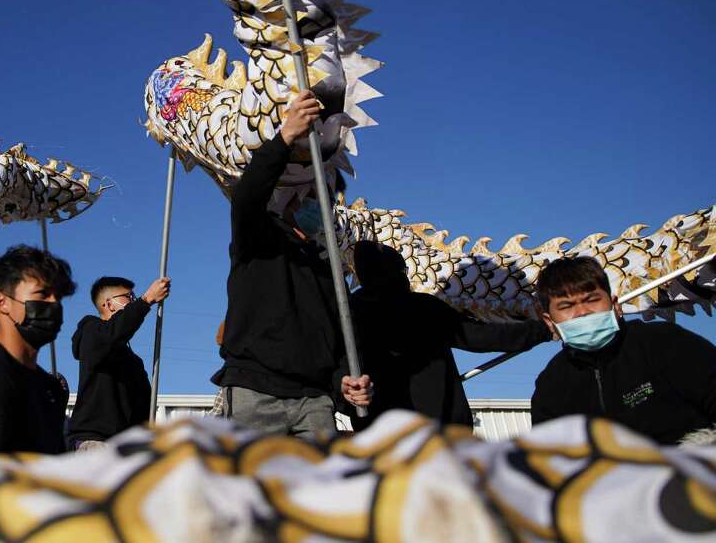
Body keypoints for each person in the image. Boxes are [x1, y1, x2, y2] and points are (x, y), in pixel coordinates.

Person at [213, 90, 372, 438]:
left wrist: (346, 382)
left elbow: (340, 339)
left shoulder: (329, 270)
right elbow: (246, 197)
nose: (318, 200)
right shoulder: (256, 237)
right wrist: (285, 137)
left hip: (315, 402)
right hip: (255, 395)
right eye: (311, 190)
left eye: (327, 194)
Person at [347, 240, 551, 428]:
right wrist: (542, 329)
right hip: (439, 428)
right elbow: (481, 336)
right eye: (403, 270)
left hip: (377, 433)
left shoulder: (348, 314)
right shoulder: (422, 308)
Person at [531, 256, 716, 444]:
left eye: (592, 300)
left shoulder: (666, 343)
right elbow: (550, 460)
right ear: (548, 320)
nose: (582, 312)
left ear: (615, 305)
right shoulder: (550, 386)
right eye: (566, 306)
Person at [0, 244, 75, 454]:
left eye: (59, 297)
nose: (55, 304)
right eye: (42, 294)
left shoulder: (49, 386)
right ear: (2, 302)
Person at [68, 275, 171, 449]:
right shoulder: (91, 331)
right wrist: (146, 300)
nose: (133, 301)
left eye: (134, 297)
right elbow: (113, 332)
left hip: (127, 446)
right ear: (108, 304)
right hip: (97, 441)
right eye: (128, 297)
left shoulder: (132, 360)